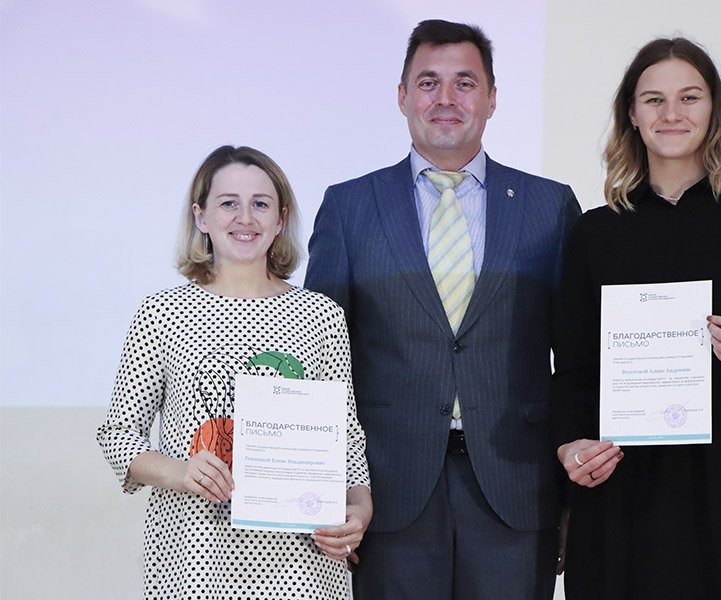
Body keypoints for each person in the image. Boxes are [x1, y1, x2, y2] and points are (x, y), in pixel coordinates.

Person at [304, 19, 581, 600]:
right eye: (428, 83)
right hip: (385, 492)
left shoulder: (550, 207)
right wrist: (324, 491)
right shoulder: (350, 207)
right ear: (402, 96)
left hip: (517, 489)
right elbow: (319, 361)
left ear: (492, 98)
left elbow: (577, 356)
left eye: (465, 83)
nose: (446, 99)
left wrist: (573, 497)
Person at [552, 37, 721, 599]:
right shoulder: (595, 233)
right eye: (653, 100)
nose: (671, 113)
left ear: (714, 109)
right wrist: (570, 447)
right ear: (632, 115)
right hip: (627, 488)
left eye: (689, 97)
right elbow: (574, 372)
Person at [97, 145, 371, 600]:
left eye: (260, 204)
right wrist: (180, 472)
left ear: (280, 219)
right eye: (228, 203)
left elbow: (347, 438)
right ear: (201, 216)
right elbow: (118, 435)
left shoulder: (321, 316)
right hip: (194, 559)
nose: (246, 218)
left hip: (300, 565)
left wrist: (359, 508)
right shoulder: (162, 313)